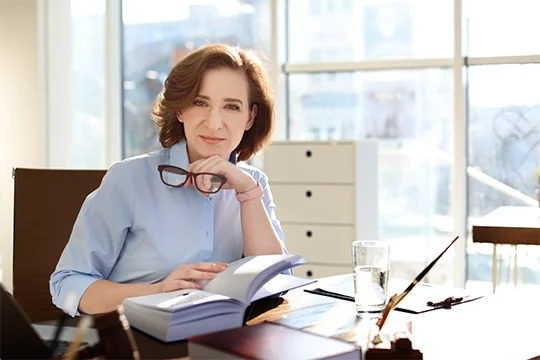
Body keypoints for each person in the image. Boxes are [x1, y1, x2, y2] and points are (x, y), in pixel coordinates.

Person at [50, 44, 289, 316]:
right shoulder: (128, 179)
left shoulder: (253, 183)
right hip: (136, 340)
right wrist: (159, 290)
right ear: (180, 110)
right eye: (200, 103)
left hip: (221, 340)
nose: (214, 123)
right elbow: (68, 284)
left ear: (250, 118)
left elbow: (276, 282)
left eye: (232, 107)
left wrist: (247, 192)